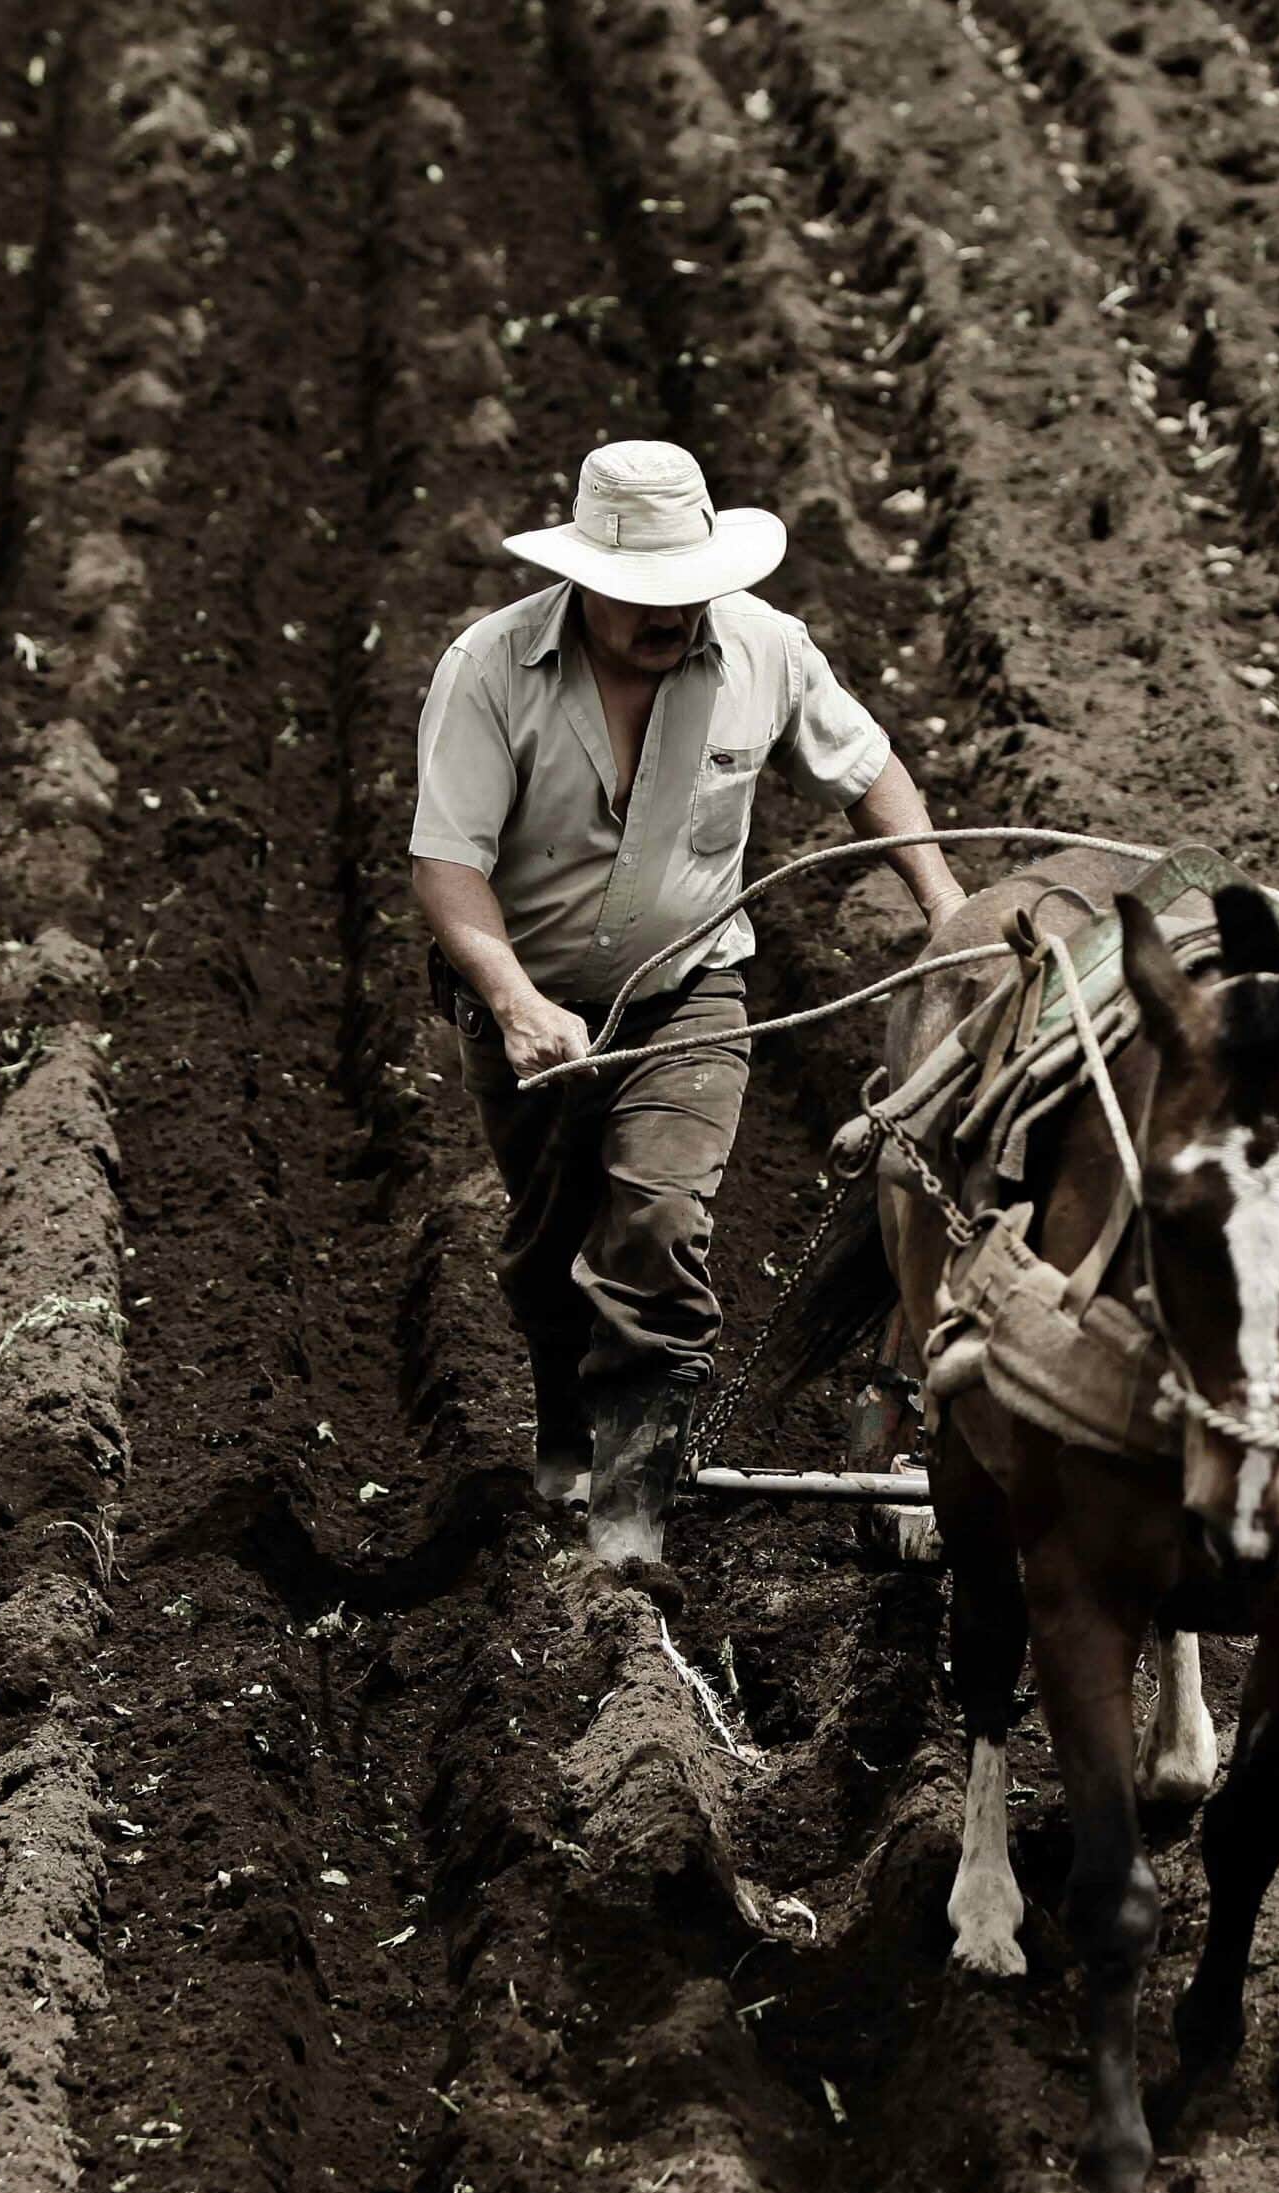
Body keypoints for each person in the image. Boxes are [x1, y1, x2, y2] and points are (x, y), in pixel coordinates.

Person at [408, 440, 964, 1577]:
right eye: (645, 597)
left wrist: (947, 913)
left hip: (689, 988)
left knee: (659, 1224)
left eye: (689, 592)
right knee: (547, 1242)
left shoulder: (764, 650)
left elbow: (866, 772)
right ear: (585, 581)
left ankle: (631, 1507)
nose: (673, 617)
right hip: (536, 1002)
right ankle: (564, 1418)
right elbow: (446, 866)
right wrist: (513, 1004)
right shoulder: (492, 667)